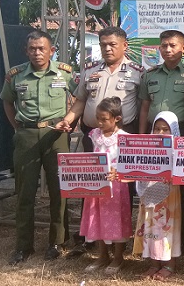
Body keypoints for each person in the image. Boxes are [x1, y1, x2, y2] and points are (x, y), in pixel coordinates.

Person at [56, 26, 144, 257]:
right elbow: (79, 102)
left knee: (122, 193)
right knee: (92, 188)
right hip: (93, 138)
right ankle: (92, 237)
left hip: (123, 140)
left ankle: (120, 240)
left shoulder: (138, 72)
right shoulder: (90, 71)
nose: (107, 48)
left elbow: (144, 105)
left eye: (112, 44)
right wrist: (68, 120)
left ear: (125, 45)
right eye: (103, 44)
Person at [0, 30, 75, 265]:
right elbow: (7, 102)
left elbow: (78, 98)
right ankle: (23, 245)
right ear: (26, 51)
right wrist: (19, 128)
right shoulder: (16, 75)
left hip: (56, 135)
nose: (37, 52)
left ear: (51, 50)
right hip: (27, 135)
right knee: (25, 191)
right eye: (32, 48)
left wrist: (70, 121)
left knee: (59, 190)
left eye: (42, 48)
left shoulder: (66, 73)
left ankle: (57, 242)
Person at [138, 29, 184, 255]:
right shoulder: (150, 75)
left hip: (179, 133)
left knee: (182, 190)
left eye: (172, 45)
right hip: (155, 134)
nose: (167, 49)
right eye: (163, 46)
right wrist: (142, 138)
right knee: (154, 186)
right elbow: (144, 107)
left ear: (183, 48)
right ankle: (155, 234)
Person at [80, 97, 133, 275]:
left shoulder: (124, 138)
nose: (100, 122)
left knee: (116, 220)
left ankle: (118, 257)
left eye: (104, 119)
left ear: (116, 118)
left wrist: (117, 172)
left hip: (116, 187)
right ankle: (102, 255)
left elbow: (130, 165)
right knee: (98, 219)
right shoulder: (94, 135)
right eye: (98, 118)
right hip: (97, 186)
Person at [133, 111, 183, 281]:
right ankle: (154, 263)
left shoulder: (178, 149)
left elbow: (183, 171)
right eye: (157, 129)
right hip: (149, 193)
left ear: (174, 130)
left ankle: (169, 264)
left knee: (167, 227)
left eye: (165, 129)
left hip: (169, 196)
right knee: (150, 226)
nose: (161, 133)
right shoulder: (146, 148)